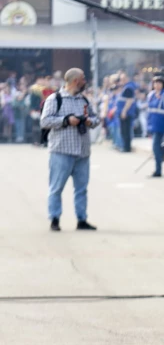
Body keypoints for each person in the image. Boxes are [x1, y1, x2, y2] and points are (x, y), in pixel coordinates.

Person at [40, 68, 100, 231]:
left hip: (82, 151)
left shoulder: (83, 100)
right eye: (83, 79)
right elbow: (45, 121)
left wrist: (89, 122)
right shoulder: (55, 99)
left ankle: (82, 219)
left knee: (81, 189)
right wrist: (66, 120)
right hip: (61, 151)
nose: (84, 81)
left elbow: (96, 119)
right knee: (56, 187)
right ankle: (54, 218)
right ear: (75, 81)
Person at [147, 77, 164, 177]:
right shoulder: (151, 95)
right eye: (155, 83)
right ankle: (157, 168)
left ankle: (158, 170)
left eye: (159, 83)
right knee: (155, 147)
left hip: (160, 124)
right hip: (152, 124)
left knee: (156, 147)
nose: (157, 85)